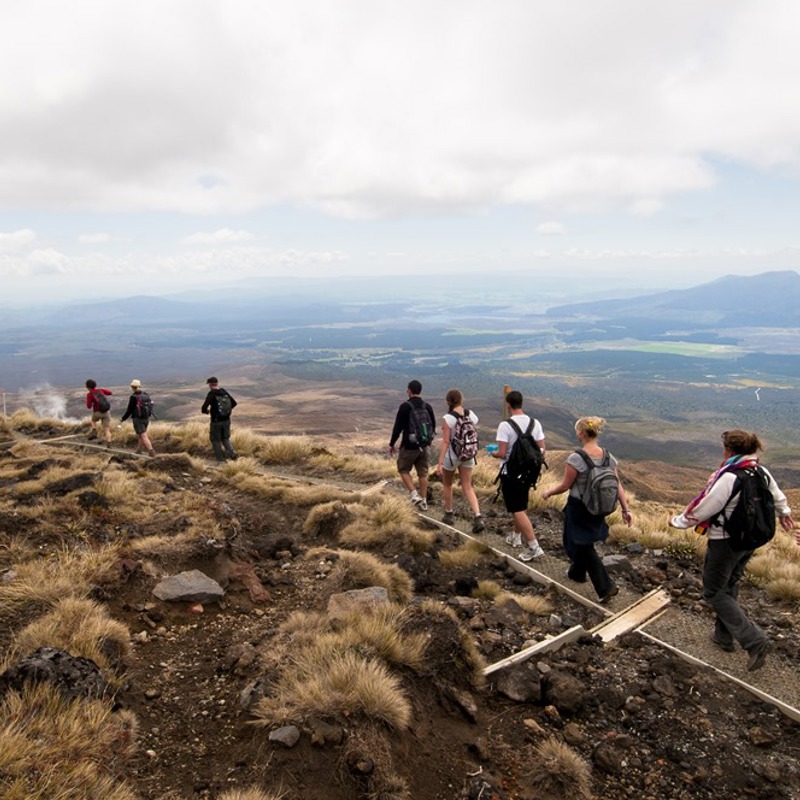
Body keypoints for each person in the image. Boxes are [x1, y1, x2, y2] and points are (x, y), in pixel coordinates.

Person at [669, 429, 793, 671]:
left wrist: (678, 522)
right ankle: (723, 637)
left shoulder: (730, 477)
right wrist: (785, 514)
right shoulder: (759, 470)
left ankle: (755, 640)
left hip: (726, 540)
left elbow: (705, 508)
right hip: (751, 539)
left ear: (729, 450)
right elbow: (778, 497)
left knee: (714, 591)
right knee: (730, 584)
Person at [541, 416, 632, 603]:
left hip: (579, 507)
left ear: (582, 433)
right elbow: (617, 484)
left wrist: (548, 492)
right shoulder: (608, 456)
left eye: (577, 431)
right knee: (582, 541)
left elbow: (566, 485)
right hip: (600, 507)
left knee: (576, 543)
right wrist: (625, 509)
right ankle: (577, 573)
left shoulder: (576, 458)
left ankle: (605, 587)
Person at [488, 390, 545, 561]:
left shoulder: (505, 426)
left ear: (508, 404)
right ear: (521, 403)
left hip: (511, 472)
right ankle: (515, 536)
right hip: (529, 472)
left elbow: (503, 452)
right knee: (521, 504)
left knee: (517, 508)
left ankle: (534, 547)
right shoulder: (535, 423)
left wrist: (493, 453)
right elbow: (542, 449)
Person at [436, 388, 485, 533]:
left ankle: (449, 514)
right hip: (468, 455)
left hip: (452, 457)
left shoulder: (447, 418)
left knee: (447, 484)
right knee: (467, 487)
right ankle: (478, 516)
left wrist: (439, 463)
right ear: (461, 400)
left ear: (447, 401)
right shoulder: (471, 415)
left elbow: (445, 442)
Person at [389, 380, 436, 510]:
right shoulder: (427, 406)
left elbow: (397, 428)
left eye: (407, 389)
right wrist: (427, 441)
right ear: (420, 391)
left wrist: (392, 443)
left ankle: (414, 495)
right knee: (423, 473)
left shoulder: (405, 406)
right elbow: (433, 425)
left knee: (403, 469)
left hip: (409, 445)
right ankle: (424, 501)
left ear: (409, 390)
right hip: (424, 445)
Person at [201, 377, 238, 462]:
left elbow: (203, 408)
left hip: (216, 421)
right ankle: (232, 454)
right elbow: (234, 403)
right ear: (217, 383)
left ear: (210, 384)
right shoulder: (224, 391)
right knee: (225, 438)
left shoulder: (211, 393)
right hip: (226, 420)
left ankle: (221, 461)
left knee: (215, 440)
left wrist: (208, 411)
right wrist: (226, 411)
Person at [120, 379, 156, 457]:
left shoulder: (133, 397)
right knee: (141, 434)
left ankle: (151, 451)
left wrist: (123, 418)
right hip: (146, 418)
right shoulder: (146, 395)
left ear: (132, 387)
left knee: (143, 435)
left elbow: (129, 409)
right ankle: (139, 450)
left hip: (138, 418)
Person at [85, 379, 113, 446]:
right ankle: (109, 443)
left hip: (97, 413)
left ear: (88, 387)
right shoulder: (101, 390)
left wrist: (93, 403)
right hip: (106, 412)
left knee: (93, 421)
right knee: (107, 429)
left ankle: (94, 431)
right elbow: (110, 393)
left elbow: (88, 406)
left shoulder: (89, 394)